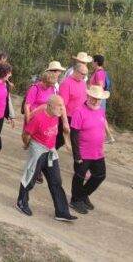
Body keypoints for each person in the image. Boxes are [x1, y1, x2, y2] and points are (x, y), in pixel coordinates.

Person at [16, 95, 77, 222]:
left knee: (56, 181)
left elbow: (61, 133)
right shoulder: (38, 119)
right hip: (38, 150)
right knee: (30, 177)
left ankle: (62, 212)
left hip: (50, 151)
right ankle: (21, 202)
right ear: (49, 106)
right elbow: (26, 134)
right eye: (59, 106)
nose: (62, 108)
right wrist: (27, 145)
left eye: (62, 105)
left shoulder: (56, 117)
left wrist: (67, 144)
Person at [69, 86, 110, 215]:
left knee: (100, 175)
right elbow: (74, 134)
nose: (96, 101)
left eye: (99, 99)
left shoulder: (101, 111)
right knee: (79, 177)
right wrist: (77, 155)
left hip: (97, 152)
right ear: (89, 96)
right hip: (83, 152)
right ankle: (75, 200)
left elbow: (102, 126)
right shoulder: (79, 111)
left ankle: (82, 195)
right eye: (94, 98)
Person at [57, 63, 88, 150]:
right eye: (83, 74)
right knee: (60, 140)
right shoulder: (66, 83)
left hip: (78, 118)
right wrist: (65, 122)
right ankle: (46, 156)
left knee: (75, 141)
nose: (84, 76)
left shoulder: (83, 83)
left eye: (86, 74)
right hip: (68, 117)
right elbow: (62, 105)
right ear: (75, 71)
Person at [89, 54, 115, 143]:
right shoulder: (99, 72)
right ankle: (108, 136)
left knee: (101, 117)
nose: (92, 63)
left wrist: (90, 86)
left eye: (93, 61)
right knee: (101, 116)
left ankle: (109, 137)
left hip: (98, 97)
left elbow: (100, 85)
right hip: (99, 97)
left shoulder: (99, 73)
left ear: (96, 62)